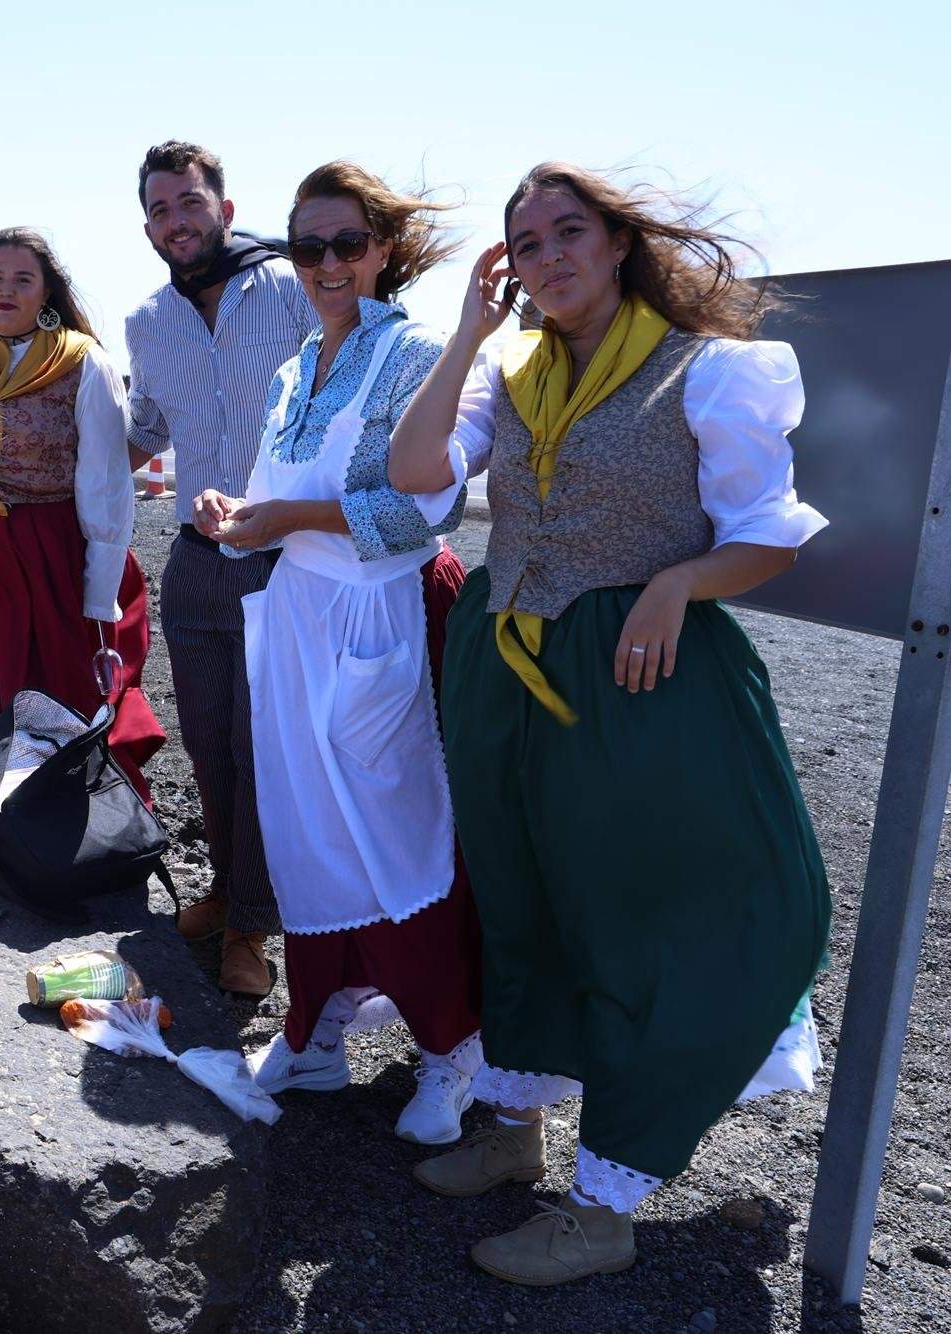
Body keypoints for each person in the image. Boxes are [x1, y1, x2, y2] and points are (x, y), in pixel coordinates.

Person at [388, 162, 830, 1285]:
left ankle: (607, 1196)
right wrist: (464, 332)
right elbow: (411, 474)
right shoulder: (513, 368)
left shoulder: (709, 368)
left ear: (619, 243)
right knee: (524, 900)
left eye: (568, 232)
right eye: (526, 244)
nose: (549, 257)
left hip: (641, 677)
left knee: (645, 919)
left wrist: (679, 582)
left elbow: (769, 539)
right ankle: (514, 1122)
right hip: (507, 669)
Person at [196, 162, 485, 1146]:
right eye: (306, 246)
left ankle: (455, 1043)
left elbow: (424, 509)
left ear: (383, 253)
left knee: (397, 836)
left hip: (379, 618)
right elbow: (272, 497)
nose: (326, 265)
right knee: (309, 832)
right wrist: (237, 513)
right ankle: (316, 1028)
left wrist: (292, 513)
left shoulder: (415, 356)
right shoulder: (290, 373)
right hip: (301, 620)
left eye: (346, 246)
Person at [124, 140, 320, 997]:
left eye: (189, 203)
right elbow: (145, 430)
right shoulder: (148, 322)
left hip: (287, 560)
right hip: (194, 567)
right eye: (161, 210)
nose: (177, 221)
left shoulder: (294, 288)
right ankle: (230, 891)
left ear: (224, 210)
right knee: (207, 747)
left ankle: (252, 925)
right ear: (146, 226)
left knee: (262, 750)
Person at [0, 227, 165, 799]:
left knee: (55, 691)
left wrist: (99, 593)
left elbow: (106, 482)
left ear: (45, 291)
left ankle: (70, 817)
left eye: (23, 279)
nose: (7, 290)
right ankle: (3, 811)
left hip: (46, 553)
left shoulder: (80, 363)